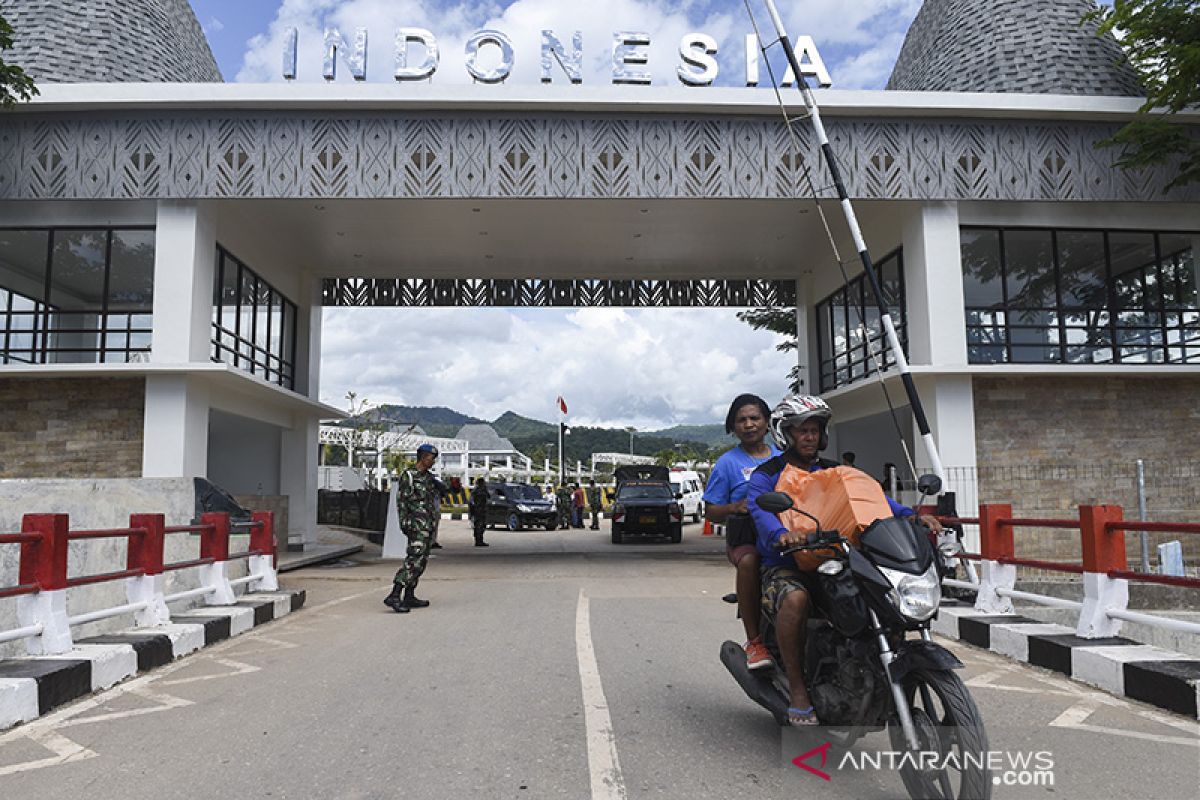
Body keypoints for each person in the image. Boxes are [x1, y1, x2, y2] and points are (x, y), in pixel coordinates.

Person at [747, 395, 942, 726]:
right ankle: (798, 690)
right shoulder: (766, 475)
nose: (809, 436)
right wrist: (782, 535)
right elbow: (760, 511)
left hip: (839, 560)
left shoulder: (838, 471)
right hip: (788, 563)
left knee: (881, 595)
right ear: (786, 434)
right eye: (801, 430)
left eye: (815, 430)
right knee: (795, 599)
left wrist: (912, 517)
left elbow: (873, 501)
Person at [701, 393, 780, 672]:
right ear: (733, 426)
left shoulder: (784, 458)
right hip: (746, 537)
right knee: (749, 562)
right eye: (741, 420)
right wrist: (736, 506)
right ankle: (755, 641)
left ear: (767, 422)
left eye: (754, 418)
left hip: (783, 535)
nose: (749, 424)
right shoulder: (727, 463)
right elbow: (710, 511)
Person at [384, 444, 442, 613]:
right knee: (413, 560)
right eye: (432, 458)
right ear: (423, 458)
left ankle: (409, 595)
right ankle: (394, 595)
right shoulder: (409, 476)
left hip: (427, 526)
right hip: (416, 525)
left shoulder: (428, 478)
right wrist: (405, 524)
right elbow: (402, 502)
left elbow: (433, 500)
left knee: (422, 561)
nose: (433, 462)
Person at [469, 476, 490, 547]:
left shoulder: (483, 490)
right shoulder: (476, 490)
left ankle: (480, 540)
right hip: (478, 510)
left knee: (482, 525)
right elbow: (471, 501)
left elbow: (488, 496)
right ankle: (478, 541)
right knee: (478, 526)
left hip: (482, 510)